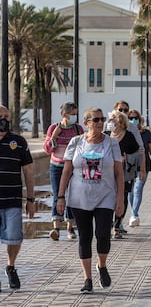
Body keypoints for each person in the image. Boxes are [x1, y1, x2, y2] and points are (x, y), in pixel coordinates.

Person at [57, 107, 124, 293]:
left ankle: (102, 265)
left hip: (105, 196)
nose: (100, 122)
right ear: (86, 123)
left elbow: (119, 173)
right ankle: (87, 279)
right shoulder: (76, 142)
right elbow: (67, 171)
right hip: (79, 198)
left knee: (103, 234)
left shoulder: (111, 143)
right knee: (84, 237)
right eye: (96, 120)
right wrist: (61, 196)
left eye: (102, 119)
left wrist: (120, 200)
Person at [0, 105, 35, 289]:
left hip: (13, 200)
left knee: (14, 238)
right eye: (0, 116)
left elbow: (28, 172)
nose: (4, 119)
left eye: (6, 116)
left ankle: (11, 267)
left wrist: (30, 200)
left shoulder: (19, 142)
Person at [43, 102, 84, 241]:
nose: (74, 116)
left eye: (75, 114)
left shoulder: (78, 130)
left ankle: (70, 226)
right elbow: (47, 149)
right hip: (57, 166)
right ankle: (56, 227)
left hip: (73, 167)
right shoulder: (54, 128)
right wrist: (54, 136)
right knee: (58, 195)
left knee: (71, 195)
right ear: (64, 115)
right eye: (72, 114)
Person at [105, 109, 143, 238]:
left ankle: (117, 225)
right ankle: (108, 223)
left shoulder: (129, 136)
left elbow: (139, 153)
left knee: (122, 196)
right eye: (109, 120)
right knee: (109, 198)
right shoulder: (105, 136)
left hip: (125, 172)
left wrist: (128, 158)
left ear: (120, 122)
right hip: (107, 173)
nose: (110, 122)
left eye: (113, 119)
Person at [127, 109, 151, 227]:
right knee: (130, 192)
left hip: (144, 166)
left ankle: (134, 214)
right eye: (131, 118)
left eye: (136, 118)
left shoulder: (146, 133)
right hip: (129, 167)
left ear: (140, 120)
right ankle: (133, 213)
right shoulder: (126, 132)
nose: (133, 120)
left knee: (137, 189)